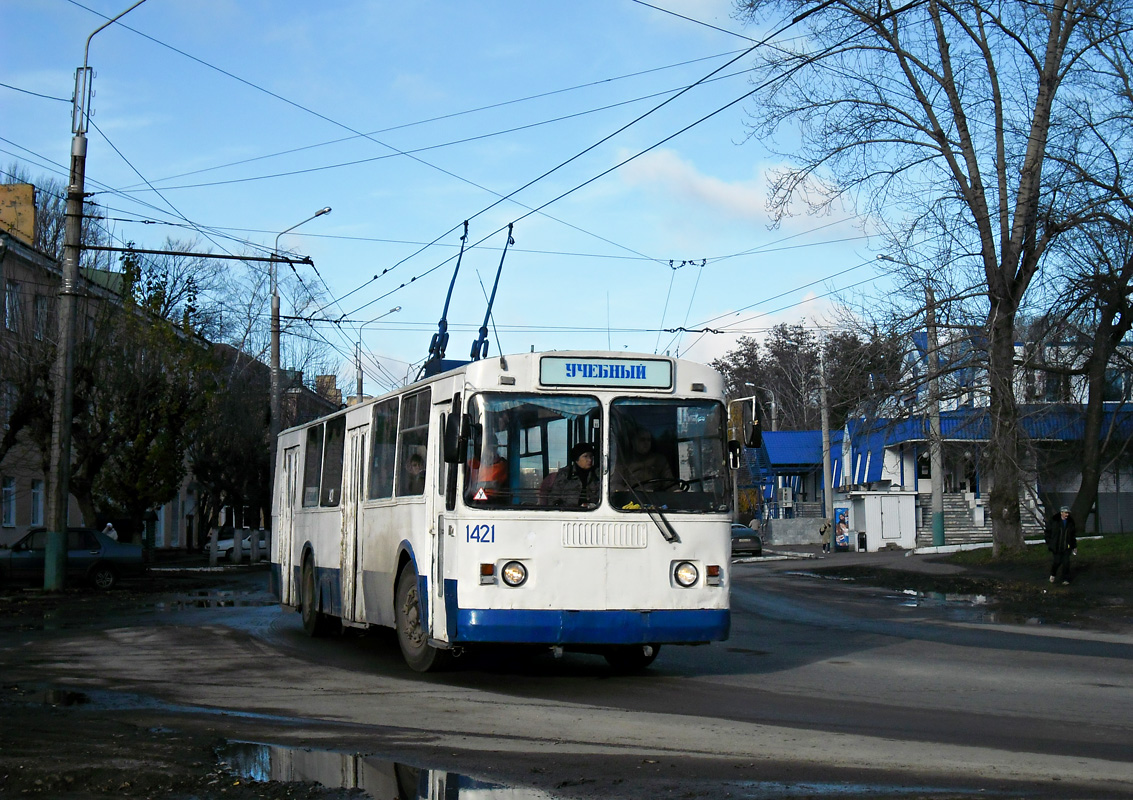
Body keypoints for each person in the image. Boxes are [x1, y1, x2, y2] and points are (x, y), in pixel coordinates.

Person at [546, 442, 600, 507]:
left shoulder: (598, 474)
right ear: (576, 459)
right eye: (585, 456)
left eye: (591, 456)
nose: (590, 460)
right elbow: (554, 498)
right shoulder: (565, 474)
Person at [1045, 505, 1077, 585]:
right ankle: (1053, 574)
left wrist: (1074, 546)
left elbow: (1072, 535)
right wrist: (1049, 542)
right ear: (1061, 513)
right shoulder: (1054, 521)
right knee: (1057, 561)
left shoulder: (1070, 522)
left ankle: (1065, 579)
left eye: (1068, 513)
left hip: (1066, 546)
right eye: (1066, 513)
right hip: (1056, 546)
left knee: (1066, 563)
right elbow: (1048, 532)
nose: (1067, 515)